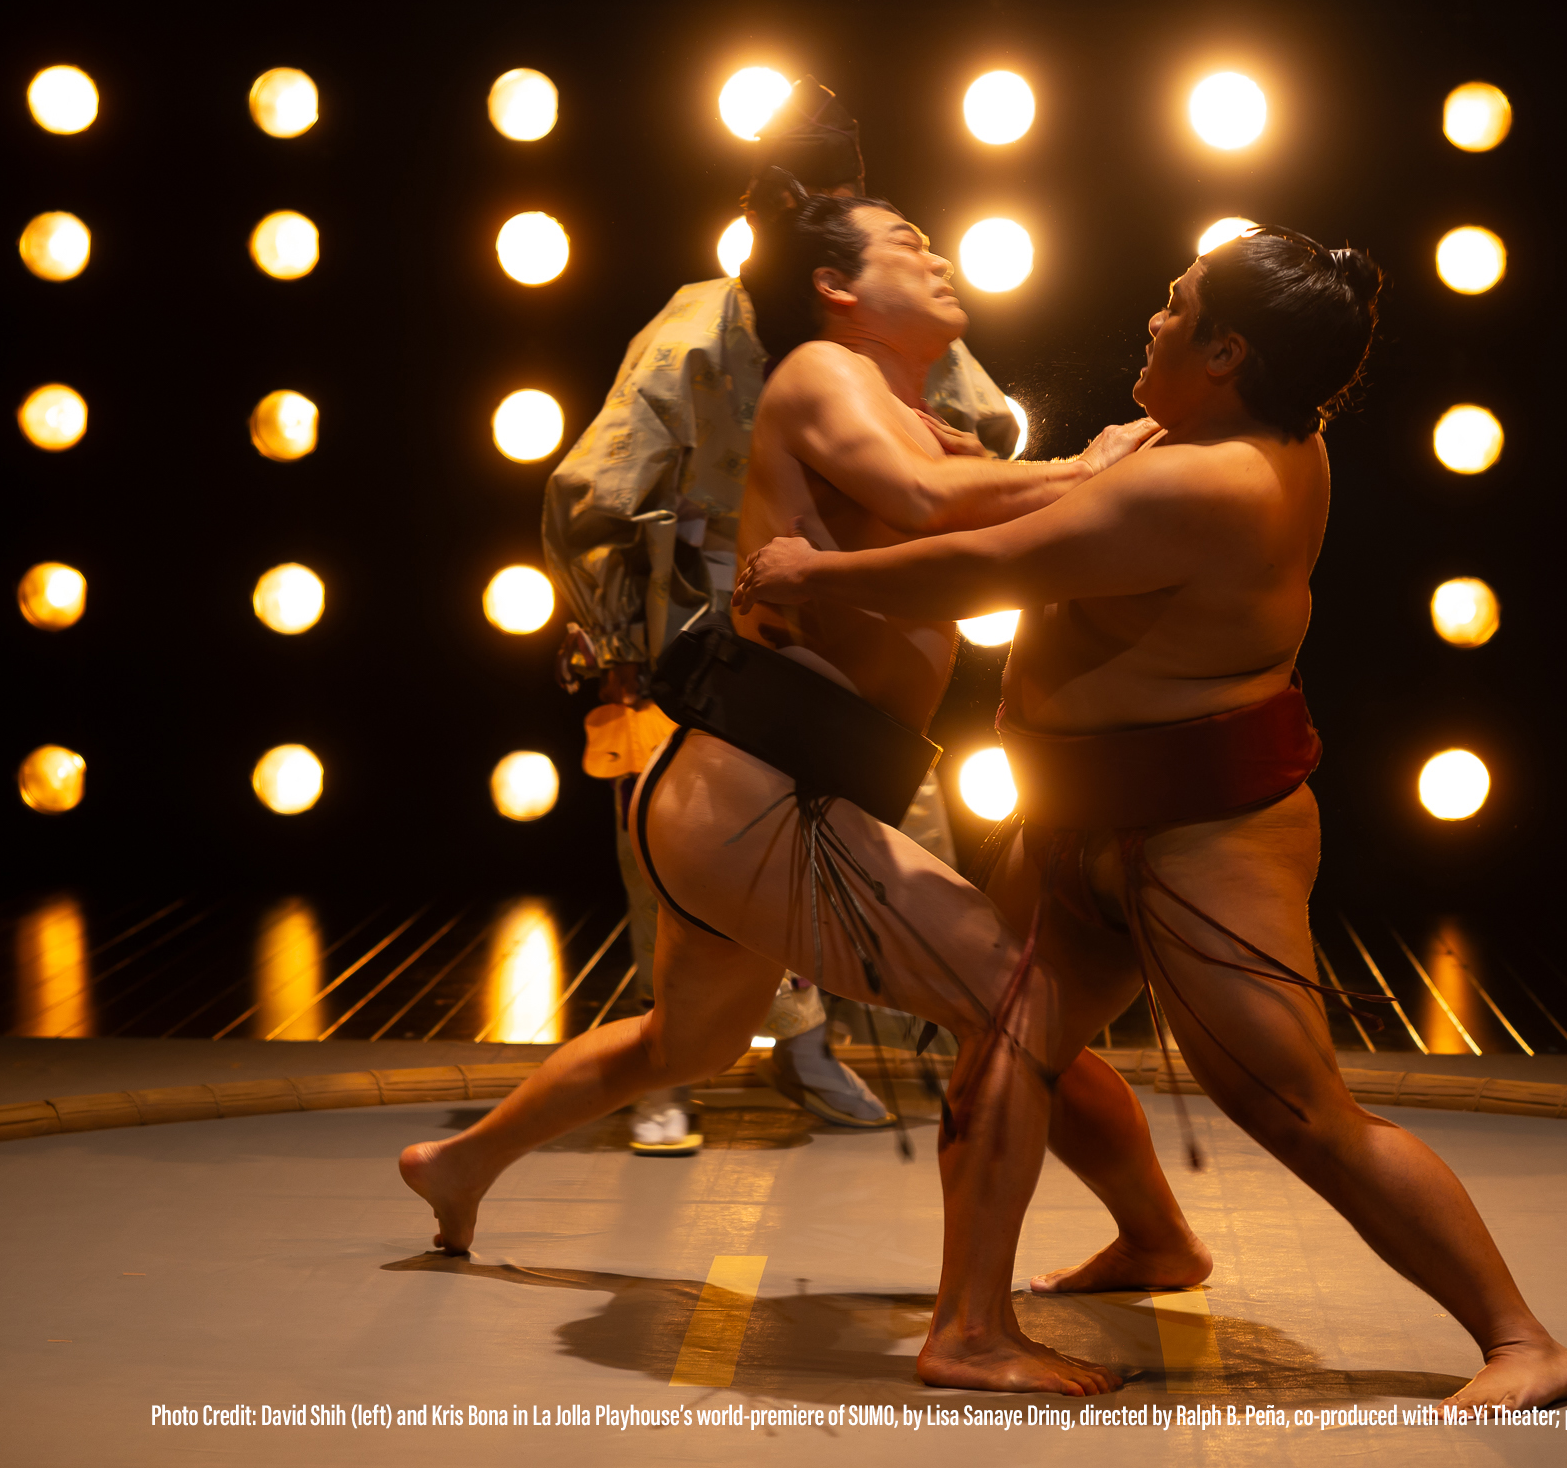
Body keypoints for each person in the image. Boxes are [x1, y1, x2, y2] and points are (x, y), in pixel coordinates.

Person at [735, 226, 1567, 1411]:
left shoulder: (1209, 480)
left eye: (1177, 306)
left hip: (1202, 838)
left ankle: (1523, 1339)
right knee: (1007, 1055)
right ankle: (1090, 1271)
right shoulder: (1199, 443)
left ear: (1228, 352)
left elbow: (985, 569)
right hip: (1077, 823)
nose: (1153, 319)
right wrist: (988, 463)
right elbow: (1059, 500)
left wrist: (810, 574)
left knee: (1296, 1110)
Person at [404, 174, 1198, 1396]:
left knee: (689, 1037)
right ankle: (977, 1327)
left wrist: (1092, 476)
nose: (937, 258)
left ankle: (458, 1163)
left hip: (752, 794)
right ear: (836, 286)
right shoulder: (822, 373)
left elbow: (987, 510)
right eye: (907, 244)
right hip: (759, 795)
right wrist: (1094, 464)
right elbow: (933, 505)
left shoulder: (923, 416)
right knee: (1015, 1000)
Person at [544, 80, 1013, 1152]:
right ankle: (677, 1063)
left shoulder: (882, 317)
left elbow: (978, 426)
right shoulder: (695, 325)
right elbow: (595, 487)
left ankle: (846, 1047)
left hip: (853, 607)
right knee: (698, 860)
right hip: (706, 618)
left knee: (891, 837)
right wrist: (616, 635)